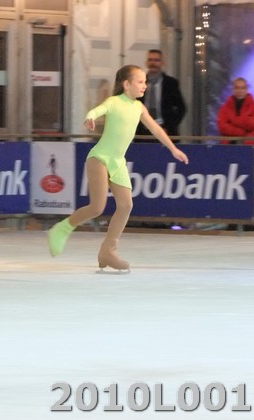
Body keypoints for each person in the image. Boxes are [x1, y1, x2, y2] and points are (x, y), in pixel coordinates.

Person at [47, 65, 189, 271]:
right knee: (97, 207)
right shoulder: (114, 102)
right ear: (126, 84)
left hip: (118, 162)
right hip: (99, 158)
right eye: (140, 82)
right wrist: (90, 117)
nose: (145, 85)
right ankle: (62, 229)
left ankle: (108, 251)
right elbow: (98, 110)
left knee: (126, 205)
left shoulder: (139, 108)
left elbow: (156, 129)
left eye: (145, 82)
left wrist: (173, 149)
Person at [135, 49, 186, 141]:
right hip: (143, 133)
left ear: (162, 63)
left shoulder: (171, 83)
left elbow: (181, 108)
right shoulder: (138, 83)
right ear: (146, 63)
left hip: (166, 132)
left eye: (156, 60)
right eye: (150, 60)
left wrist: (169, 127)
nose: (153, 63)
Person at [217, 77, 254, 160]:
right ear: (233, 89)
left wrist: (232, 121)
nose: (240, 91)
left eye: (243, 88)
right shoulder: (225, 108)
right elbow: (222, 127)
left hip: (250, 151)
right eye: (237, 88)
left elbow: (253, 124)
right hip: (229, 150)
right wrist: (241, 131)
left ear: (247, 89)